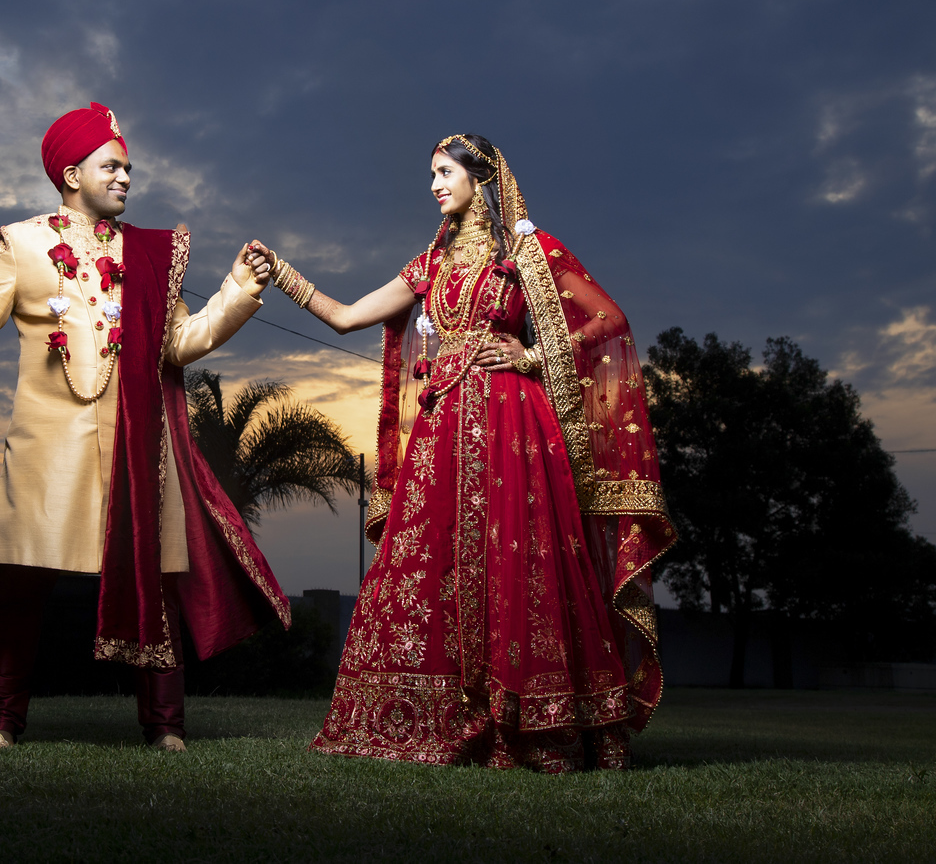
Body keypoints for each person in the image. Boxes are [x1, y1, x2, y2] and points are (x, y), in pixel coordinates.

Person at [0, 103, 288, 753]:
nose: (126, 177)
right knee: (22, 583)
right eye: (112, 166)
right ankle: (0, 723)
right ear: (72, 174)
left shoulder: (150, 253)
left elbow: (180, 343)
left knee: (155, 582)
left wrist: (238, 289)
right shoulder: (21, 245)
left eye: (129, 168)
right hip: (48, 450)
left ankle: (166, 726)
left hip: (139, 448)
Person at [259, 134, 675, 772]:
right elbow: (347, 316)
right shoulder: (430, 263)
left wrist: (532, 354)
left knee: (521, 562)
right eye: (430, 174)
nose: (433, 185)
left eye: (444, 172)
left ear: (480, 179)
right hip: (442, 430)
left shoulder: (527, 251)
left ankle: (534, 723)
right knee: (426, 559)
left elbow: (607, 321)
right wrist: (280, 272)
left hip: (513, 424)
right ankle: (438, 715)